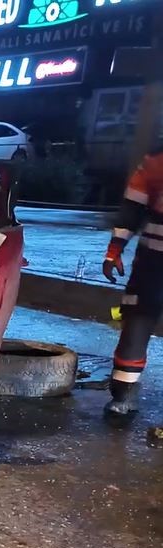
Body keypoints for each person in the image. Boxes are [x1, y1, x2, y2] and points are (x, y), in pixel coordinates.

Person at [102, 147, 163, 417]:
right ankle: (123, 394)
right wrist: (114, 250)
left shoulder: (156, 161)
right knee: (137, 323)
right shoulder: (156, 162)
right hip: (153, 261)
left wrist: (115, 250)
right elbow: (133, 207)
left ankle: (123, 397)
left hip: (153, 260)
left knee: (137, 322)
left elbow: (132, 207)